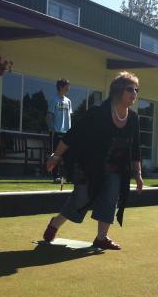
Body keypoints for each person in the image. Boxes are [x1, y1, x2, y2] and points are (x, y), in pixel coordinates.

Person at [42, 71, 144, 251]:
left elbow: (135, 149)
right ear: (118, 91)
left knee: (111, 197)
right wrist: (56, 156)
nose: (134, 93)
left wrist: (138, 174)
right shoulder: (99, 111)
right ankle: (55, 223)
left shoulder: (133, 119)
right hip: (89, 164)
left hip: (116, 167)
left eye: (137, 90)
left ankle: (101, 238)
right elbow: (73, 135)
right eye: (130, 89)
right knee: (81, 199)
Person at [46, 78, 72, 183]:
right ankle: (55, 176)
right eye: (67, 87)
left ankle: (67, 176)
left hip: (67, 132)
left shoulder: (68, 101)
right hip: (57, 132)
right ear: (61, 87)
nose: (68, 89)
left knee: (68, 155)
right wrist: (52, 129)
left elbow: (69, 116)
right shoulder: (54, 100)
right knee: (56, 155)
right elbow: (48, 116)